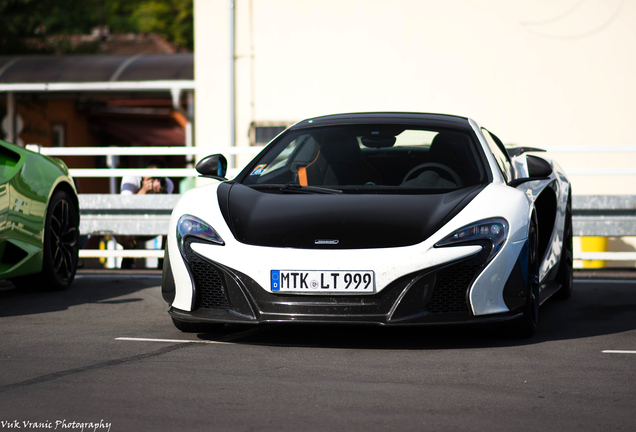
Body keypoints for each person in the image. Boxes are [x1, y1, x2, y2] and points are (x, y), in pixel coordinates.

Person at [117, 159, 173, 268]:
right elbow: (126, 206)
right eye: (152, 178)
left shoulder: (166, 184)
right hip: (131, 224)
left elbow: (165, 210)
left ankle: (163, 261)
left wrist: (160, 194)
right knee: (121, 226)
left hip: (152, 224)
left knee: (170, 221)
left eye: (158, 178)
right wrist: (144, 190)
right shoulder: (130, 179)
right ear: (144, 175)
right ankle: (128, 251)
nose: (155, 182)